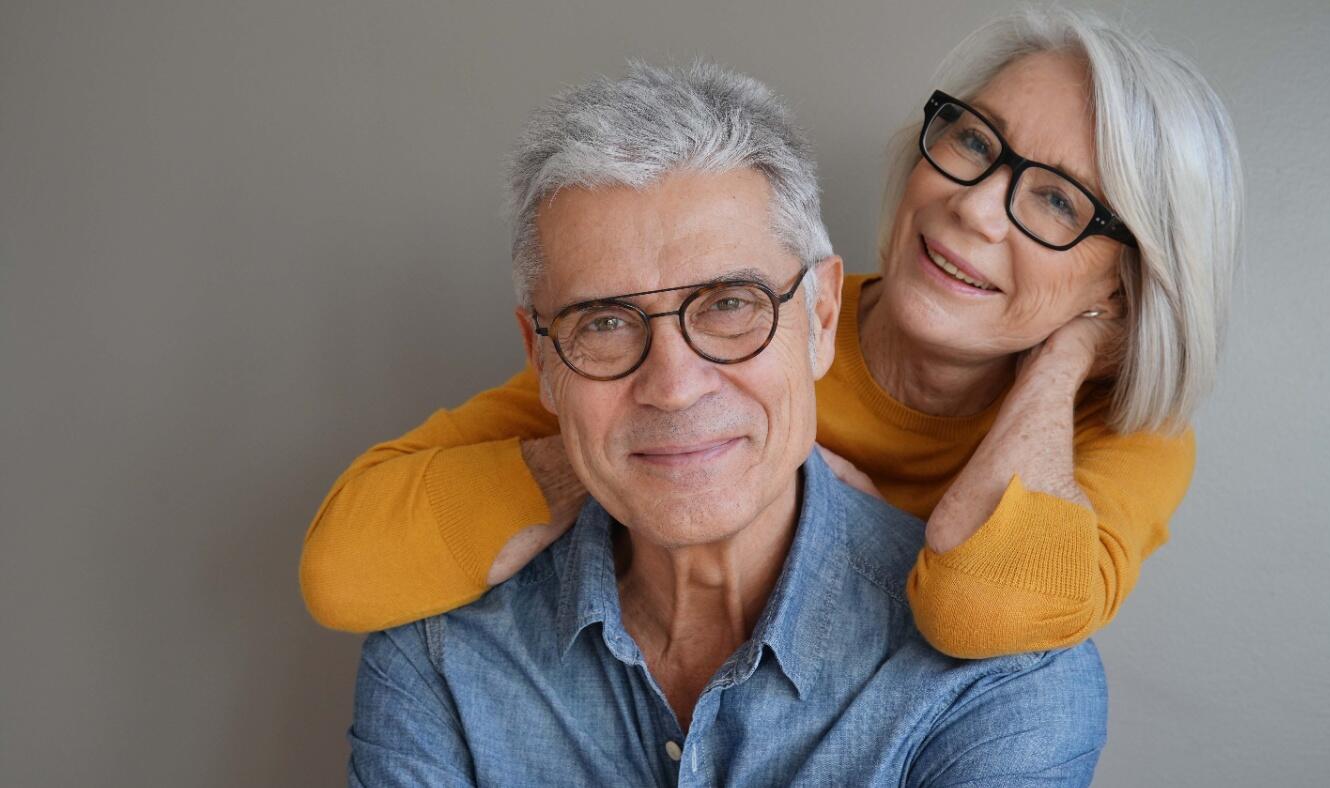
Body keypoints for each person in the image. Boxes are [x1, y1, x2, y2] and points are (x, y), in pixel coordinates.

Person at [303, 6, 1242, 658]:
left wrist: (1069, 354)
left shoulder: (1121, 436)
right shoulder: (744, 319)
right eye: (973, 142)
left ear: (1124, 281)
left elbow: (989, 608)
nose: (974, 209)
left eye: (1056, 201)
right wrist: (639, 446)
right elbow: (346, 567)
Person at [348, 61, 1107, 786]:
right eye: (606, 321)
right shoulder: (439, 655)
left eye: (731, 304)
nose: (674, 388)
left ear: (820, 316)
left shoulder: (1003, 681)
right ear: (541, 362)